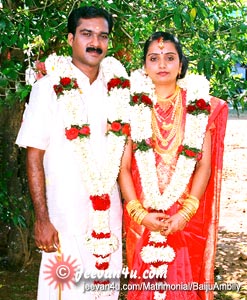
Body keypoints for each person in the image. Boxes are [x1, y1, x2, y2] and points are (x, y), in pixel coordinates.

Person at [16, 6, 131, 300]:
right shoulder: (47, 88)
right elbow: (34, 156)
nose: (95, 42)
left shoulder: (119, 90)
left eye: (102, 36)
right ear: (70, 39)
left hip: (108, 218)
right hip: (62, 220)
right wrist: (42, 219)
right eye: (86, 34)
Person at [118, 31, 228, 300]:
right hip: (143, 215)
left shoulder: (201, 106)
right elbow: (122, 168)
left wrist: (185, 213)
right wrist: (139, 213)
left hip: (185, 217)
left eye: (170, 58)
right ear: (145, 67)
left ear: (181, 65)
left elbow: (204, 164)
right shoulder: (130, 107)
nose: (162, 64)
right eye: (153, 58)